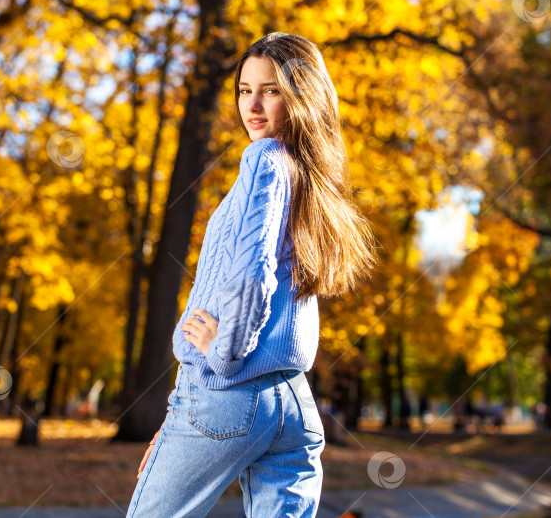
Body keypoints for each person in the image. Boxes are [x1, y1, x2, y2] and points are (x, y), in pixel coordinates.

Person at [126, 32, 379, 518]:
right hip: (294, 408)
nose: (254, 105)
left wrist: (218, 358)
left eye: (272, 90)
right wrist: (183, 416)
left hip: (229, 391)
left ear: (301, 97)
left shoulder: (264, 160)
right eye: (245, 90)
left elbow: (253, 273)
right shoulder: (312, 179)